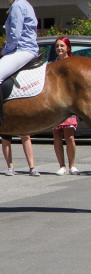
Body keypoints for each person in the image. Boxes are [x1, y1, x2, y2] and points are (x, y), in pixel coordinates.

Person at [0, 0, 38, 135]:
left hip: (22, 50)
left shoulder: (16, 7)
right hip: (28, 49)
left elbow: (14, 36)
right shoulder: (26, 4)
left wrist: (3, 52)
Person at [51, 37, 80, 175]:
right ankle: (62, 166)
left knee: (69, 137)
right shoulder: (53, 64)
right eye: (57, 46)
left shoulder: (72, 64)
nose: (59, 49)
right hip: (56, 103)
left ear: (68, 47)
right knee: (57, 136)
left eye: (62, 46)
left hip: (69, 104)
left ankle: (72, 165)